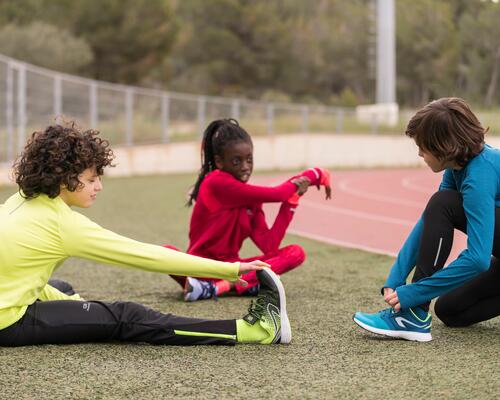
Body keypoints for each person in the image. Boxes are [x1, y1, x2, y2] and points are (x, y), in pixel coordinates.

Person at [0, 122, 291, 347]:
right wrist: (231, 269)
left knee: (60, 286)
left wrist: (78, 308)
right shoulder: (63, 225)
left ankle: (82, 310)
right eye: (91, 179)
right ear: (63, 178)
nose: (98, 186)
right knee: (126, 315)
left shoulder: (21, 199)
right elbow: (147, 256)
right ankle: (254, 331)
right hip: (7, 322)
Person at [353, 97, 500, 342]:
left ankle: (413, 316)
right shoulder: (458, 167)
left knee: (443, 202)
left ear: (444, 146)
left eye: (423, 146)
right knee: (451, 311)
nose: (420, 153)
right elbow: (428, 221)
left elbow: (478, 259)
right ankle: (415, 312)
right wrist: (396, 278)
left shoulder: (479, 176)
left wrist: (415, 294)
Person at [169, 118, 331, 301]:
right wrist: (315, 175)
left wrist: (292, 201)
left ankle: (217, 287)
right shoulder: (216, 182)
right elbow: (277, 193)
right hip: (201, 266)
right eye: (236, 161)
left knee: (295, 253)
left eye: (249, 159)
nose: (245, 167)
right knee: (166, 252)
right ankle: (240, 285)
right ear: (220, 162)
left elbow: (269, 245)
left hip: (230, 269)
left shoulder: (249, 199)